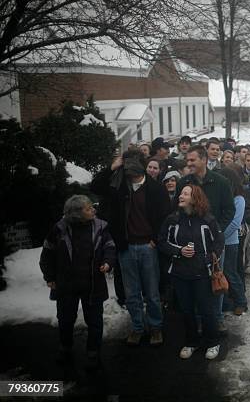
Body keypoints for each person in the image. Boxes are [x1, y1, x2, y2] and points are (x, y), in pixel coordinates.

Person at [90, 150, 170, 346]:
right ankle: (137, 327)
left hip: (148, 246)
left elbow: (165, 218)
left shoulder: (155, 189)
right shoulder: (119, 186)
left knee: (151, 292)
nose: (128, 169)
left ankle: (156, 327)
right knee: (131, 293)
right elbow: (95, 186)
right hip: (126, 247)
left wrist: (155, 240)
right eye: (125, 164)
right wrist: (112, 167)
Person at [40, 195, 116, 369]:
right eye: (89, 208)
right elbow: (46, 254)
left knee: (95, 321)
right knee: (65, 320)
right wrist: (49, 277)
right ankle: (65, 348)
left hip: (92, 283)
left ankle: (93, 352)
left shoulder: (100, 227)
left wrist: (108, 262)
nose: (93, 210)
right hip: (66, 284)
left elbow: (110, 246)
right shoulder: (59, 229)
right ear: (77, 214)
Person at [158, 185, 224, 360]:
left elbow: (218, 242)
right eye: (181, 193)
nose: (181, 196)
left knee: (206, 309)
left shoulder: (207, 220)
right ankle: (191, 341)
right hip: (180, 273)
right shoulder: (172, 220)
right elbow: (162, 242)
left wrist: (207, 259)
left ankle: (212, 341)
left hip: (202, 273)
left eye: (186, 194)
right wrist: (179, 251)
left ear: (195, 198)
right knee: (186, 310)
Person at [174, 145, 235, 233]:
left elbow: (229, 210)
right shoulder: (183, 183)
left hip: (213, 237)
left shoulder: (221, 182)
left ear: (204, 160)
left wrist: (217, 229)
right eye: (187, 160)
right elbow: (177, 209)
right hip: (188, 236)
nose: (188, 164)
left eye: (192, 160)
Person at [218, 165, 248, 315]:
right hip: (219, 241)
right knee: (220, 273)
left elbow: (235, 223)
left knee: (230, 272)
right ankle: (225, 302)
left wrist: (219, 236)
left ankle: (241, 302)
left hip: (230, 242)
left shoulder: (239, 199)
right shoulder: (223, 197)